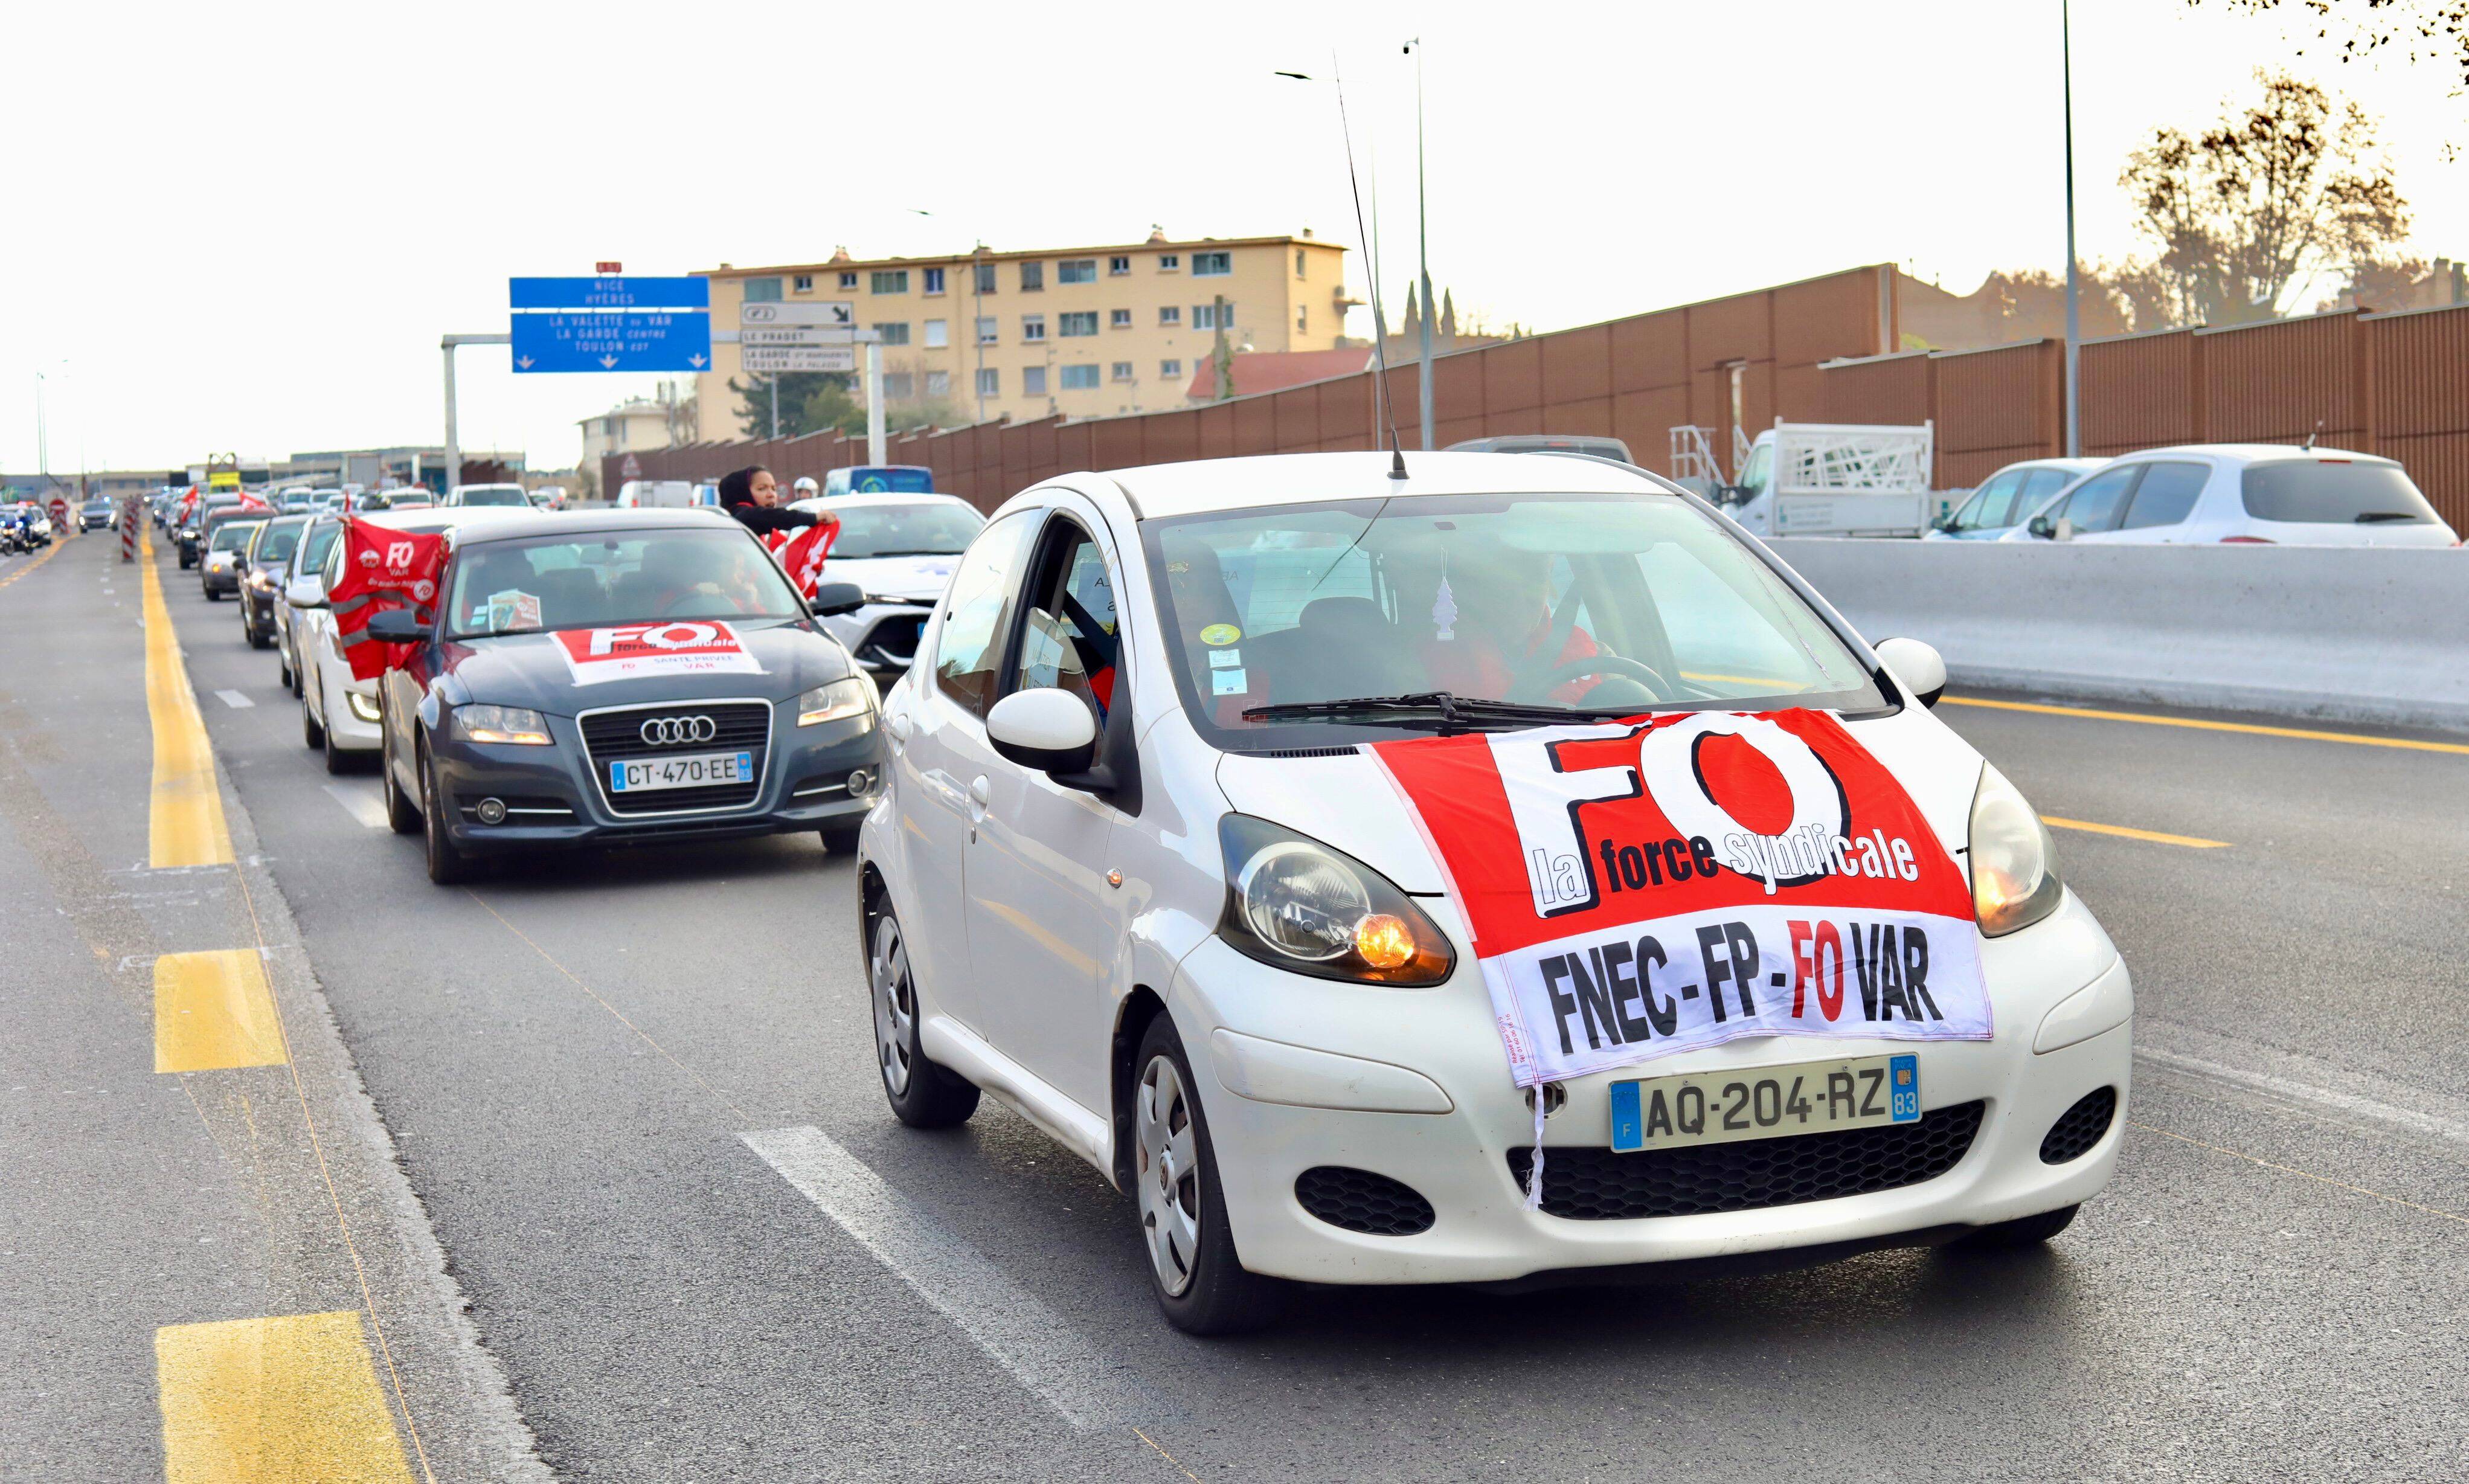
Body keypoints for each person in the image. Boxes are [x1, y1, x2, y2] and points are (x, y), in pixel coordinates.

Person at [716, 466, 818, 536]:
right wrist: (815, 518)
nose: (771, 495)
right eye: (762, 488)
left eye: (774, 489)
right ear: (743, 492)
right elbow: (775, 517)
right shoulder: (744, 517)